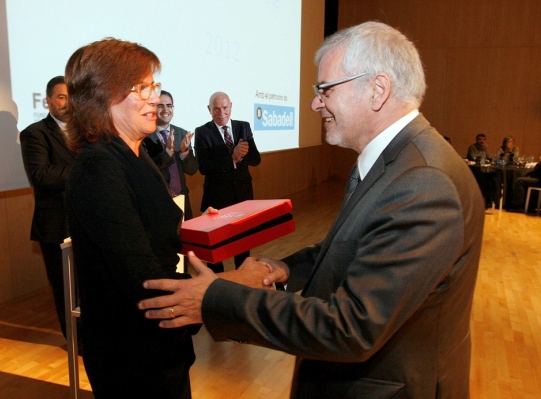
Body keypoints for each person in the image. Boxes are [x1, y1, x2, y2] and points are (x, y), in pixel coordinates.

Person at [139, 21, 485, 399]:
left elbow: (352, 327)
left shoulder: (424, 182)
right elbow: (348, 247)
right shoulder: (395, 163)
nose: (315, 103)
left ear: (378, 89)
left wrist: (215, 298)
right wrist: (285, 270)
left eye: (325, 90)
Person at [63, 38, 270, 399]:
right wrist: (239, 281)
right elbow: (145, 280)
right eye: (141, 88)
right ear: (104, 95)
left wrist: (197, 227)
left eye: (153, 87)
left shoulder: (137, 154)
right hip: (130, 354)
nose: (154, 99)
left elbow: (151, 228)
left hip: (160, 345)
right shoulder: (98, 167)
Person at [20, 76, 76, 339]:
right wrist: (85, 167)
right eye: (62, 97)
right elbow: (40, 175)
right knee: (64, 289)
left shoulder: (86, 133)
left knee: (88, 286)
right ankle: (75, 341)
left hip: (86, 220)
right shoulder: (34, 133)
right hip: (56, 225)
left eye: (71, 97)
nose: (67, 103)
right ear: (48, 101)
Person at [194, 92, 261, 273]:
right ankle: (216, 288)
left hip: (242, 198)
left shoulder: (243, 127)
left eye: (225, 108)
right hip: (217, 200)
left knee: (242, 246)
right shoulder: (202, 132)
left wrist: (241, 157)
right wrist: (232, 157)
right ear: (209, 110)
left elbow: (256, 159)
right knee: (215, 251)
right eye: (216, 108)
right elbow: (204, 167)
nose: (221, 112)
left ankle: (243, 281)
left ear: (231, 106)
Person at [142, 90, 198, 220]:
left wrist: (184, 152)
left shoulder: (182, 133)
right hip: (158, 201)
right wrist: (168, 152)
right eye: (160, 105)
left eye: (169, 105)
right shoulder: (144, 136)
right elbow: (148, 170)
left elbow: (192, 170)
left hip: (182, 199)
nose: (165, 109)